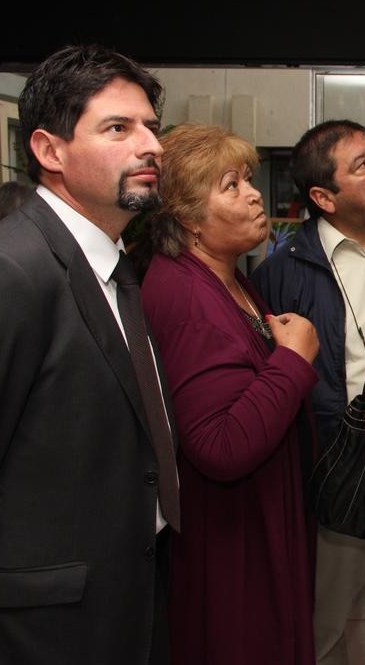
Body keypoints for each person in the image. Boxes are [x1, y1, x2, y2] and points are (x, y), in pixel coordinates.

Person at [0, 44, 176, 664]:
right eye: (118, 127)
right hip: (39, 629)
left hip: (120, 598)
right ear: (48, 151)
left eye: (151, 126)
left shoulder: (111, 264)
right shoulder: (8, 272)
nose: (151, 146)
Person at [141, 124, 320, 665]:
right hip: (230, 544)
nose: (254, 192)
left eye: (247, 179)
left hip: (253, 523)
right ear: (188, 220)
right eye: (231, 185)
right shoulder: (187, 297)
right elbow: (219, 447)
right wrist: (292, 359)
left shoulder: (230, 277)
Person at [251, 120, 365, 665]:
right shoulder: (280, 274)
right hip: (333, 462)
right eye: (361, 164)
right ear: (324, 196)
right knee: (325, 619)